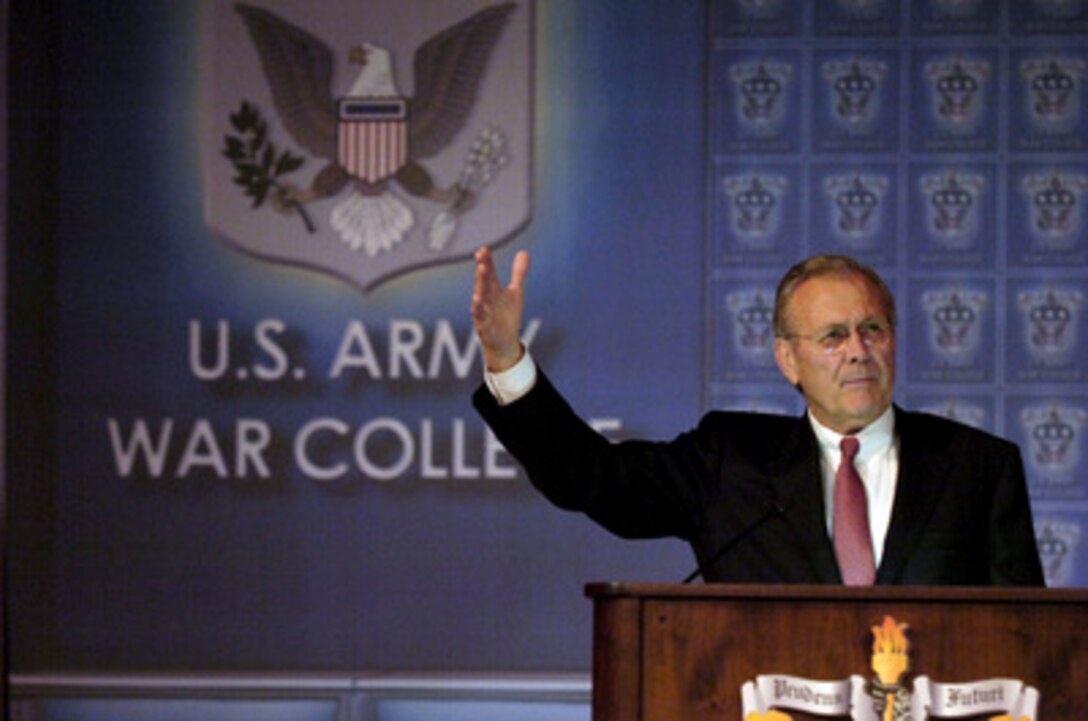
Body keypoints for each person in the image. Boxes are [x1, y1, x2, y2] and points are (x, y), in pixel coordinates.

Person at [470, 247, 1045, 586]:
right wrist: (506, 359)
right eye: (832, 336)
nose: (857, 350)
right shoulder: (730, 460)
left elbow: (1026, 638)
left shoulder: (977, 467)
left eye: (872, 330)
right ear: (787, 359)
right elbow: (592, 478)